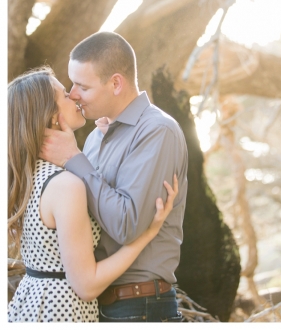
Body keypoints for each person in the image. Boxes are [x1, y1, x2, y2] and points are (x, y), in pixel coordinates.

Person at [38, 31, 189, 322]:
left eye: (82, 85)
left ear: (116, 83)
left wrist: (73, 159)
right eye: (72, 84)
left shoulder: (157, 131)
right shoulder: (95, 137)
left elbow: (125, 226)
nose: (72, 94)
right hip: (98, 305)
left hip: (140, 305)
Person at [8, 67, 178, 322]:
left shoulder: (30, 177)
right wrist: (147, 234)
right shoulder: (65, 186)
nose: (74, 97)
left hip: (32, 304)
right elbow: (86, 286)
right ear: (53, 116)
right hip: (63, 312)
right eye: (65, 94)